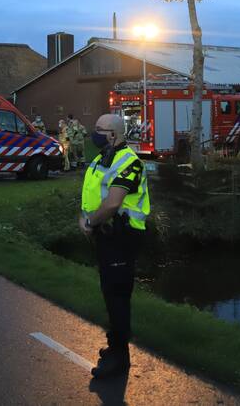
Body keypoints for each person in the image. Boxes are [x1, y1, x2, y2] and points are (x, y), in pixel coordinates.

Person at [79, 113, 150, 378]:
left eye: (99, 129)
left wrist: (90, 223)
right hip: (106, 236)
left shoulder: (129, 162)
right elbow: (91, 195)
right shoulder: (101, 159)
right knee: (110, 293)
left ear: (114, 134)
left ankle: (120, 359)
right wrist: (85, 219)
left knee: (118, 297)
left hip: (122, 238)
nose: (94, 133)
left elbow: (112, 203)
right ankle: (114, 346)